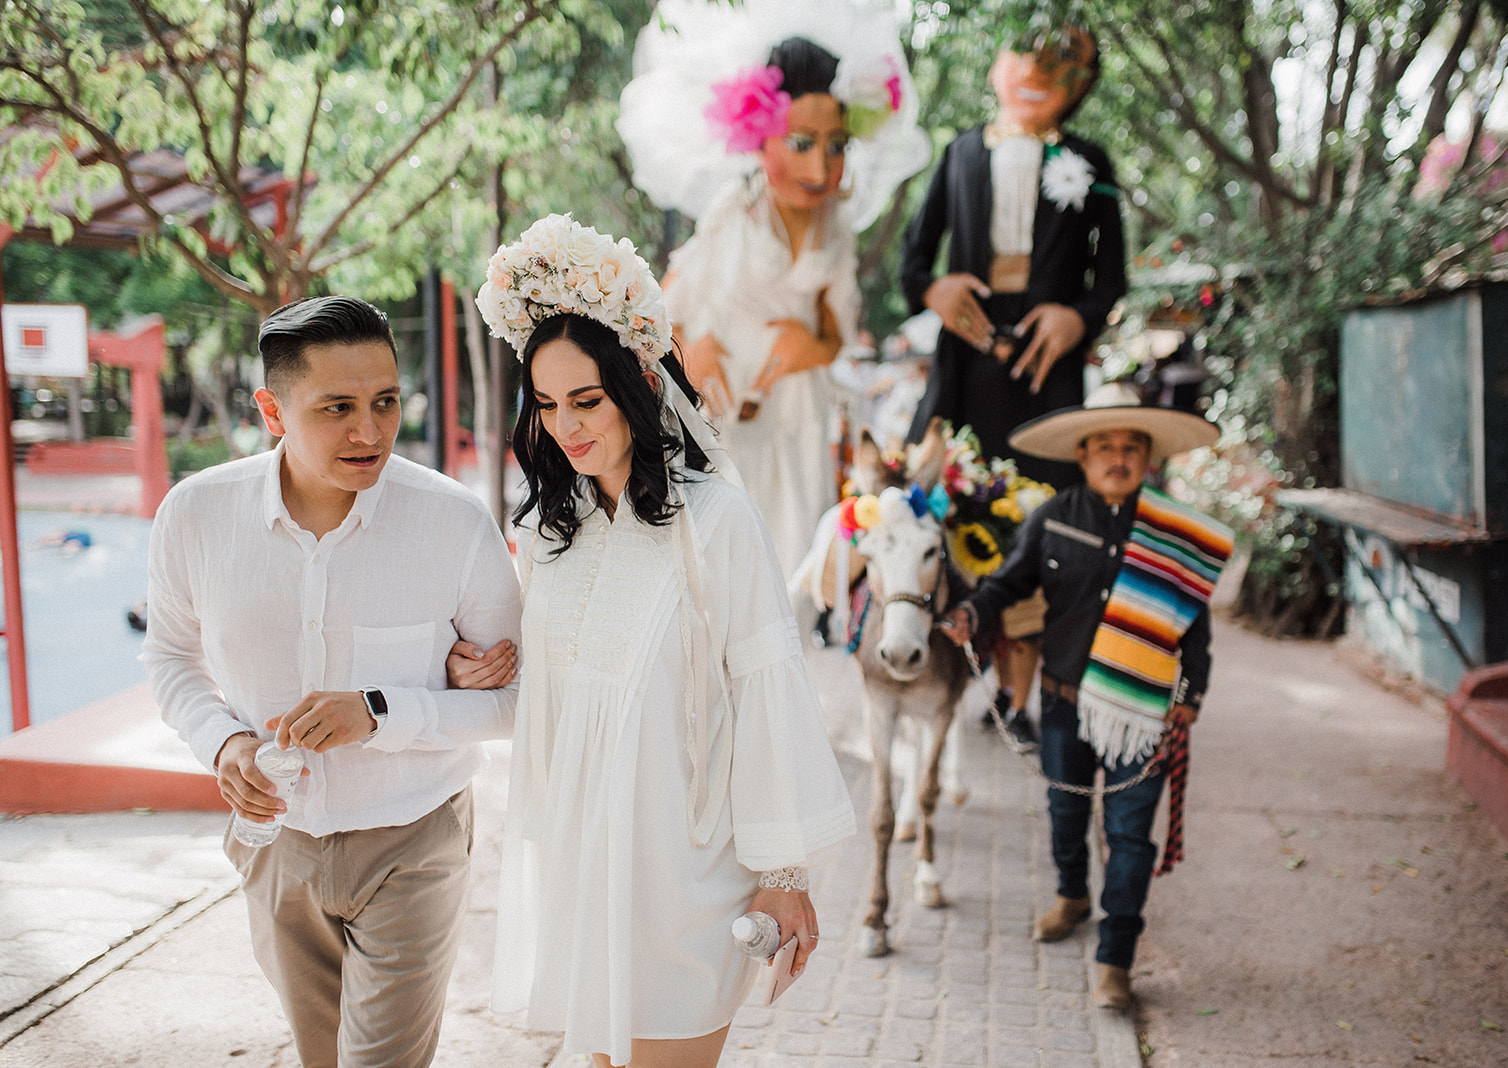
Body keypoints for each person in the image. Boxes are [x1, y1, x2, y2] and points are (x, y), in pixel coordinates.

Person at [469, 214, 855, 1068]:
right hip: (581, 869)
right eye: (547, 404)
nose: (567, 427)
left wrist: (782, 876)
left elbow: (766, 687)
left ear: (640, 384)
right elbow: (551, 693)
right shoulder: (550, 535)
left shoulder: (714, 519)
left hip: (687, 879)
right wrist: (481, 668)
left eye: (588, 400)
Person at [143, 296, 522, 1068]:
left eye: (385, 401)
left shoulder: (453, 524)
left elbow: (517, 700)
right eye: (338, 408)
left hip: (414, 836)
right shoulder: (194, 516)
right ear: (273, 409)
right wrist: (225, 744)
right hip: (274, 845)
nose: (370, 431)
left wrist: (380, 714)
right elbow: (170, 658)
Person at [939, 382, 1233, 1010]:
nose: (1118, 457)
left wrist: (1192, 694)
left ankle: (1116, 956)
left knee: (1130, 836)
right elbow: (1007, 584)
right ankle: (1072, 894)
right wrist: (971, 612)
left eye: (1131, 447)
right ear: (1083, 454)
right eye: (1105, 446)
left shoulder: (1172, 534)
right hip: (1064, 700)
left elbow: (1195, 626)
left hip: (1144, 710)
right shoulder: (1052, 519)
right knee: (1065, 813)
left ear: (1147, 458)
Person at [616, 0, 929, 575]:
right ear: (759, 138)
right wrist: (691, 354)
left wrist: (807, 346)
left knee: (789, 552)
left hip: (796, 406)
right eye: (802, 143)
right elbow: (657, 310)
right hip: (722, 408)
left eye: (836, 145)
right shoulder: (733, 212)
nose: (821, 168)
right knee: (721, 556)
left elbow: (837, 330)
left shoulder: (836, 228)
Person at [900, 18, 1128, 747]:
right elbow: (913, 261)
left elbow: (1113, 278)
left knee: (1046, 514)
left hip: (1047, 371)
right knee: (947, 498)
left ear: (1082, 86)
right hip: (967, 364)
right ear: (996, 66)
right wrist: (934, 292)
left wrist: (1078, 318)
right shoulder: (960, 151)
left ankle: (1023, 695)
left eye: (1064, 64)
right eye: (1024, 55)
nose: (1038, 71)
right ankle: (938, 661)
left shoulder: (1091, 161)